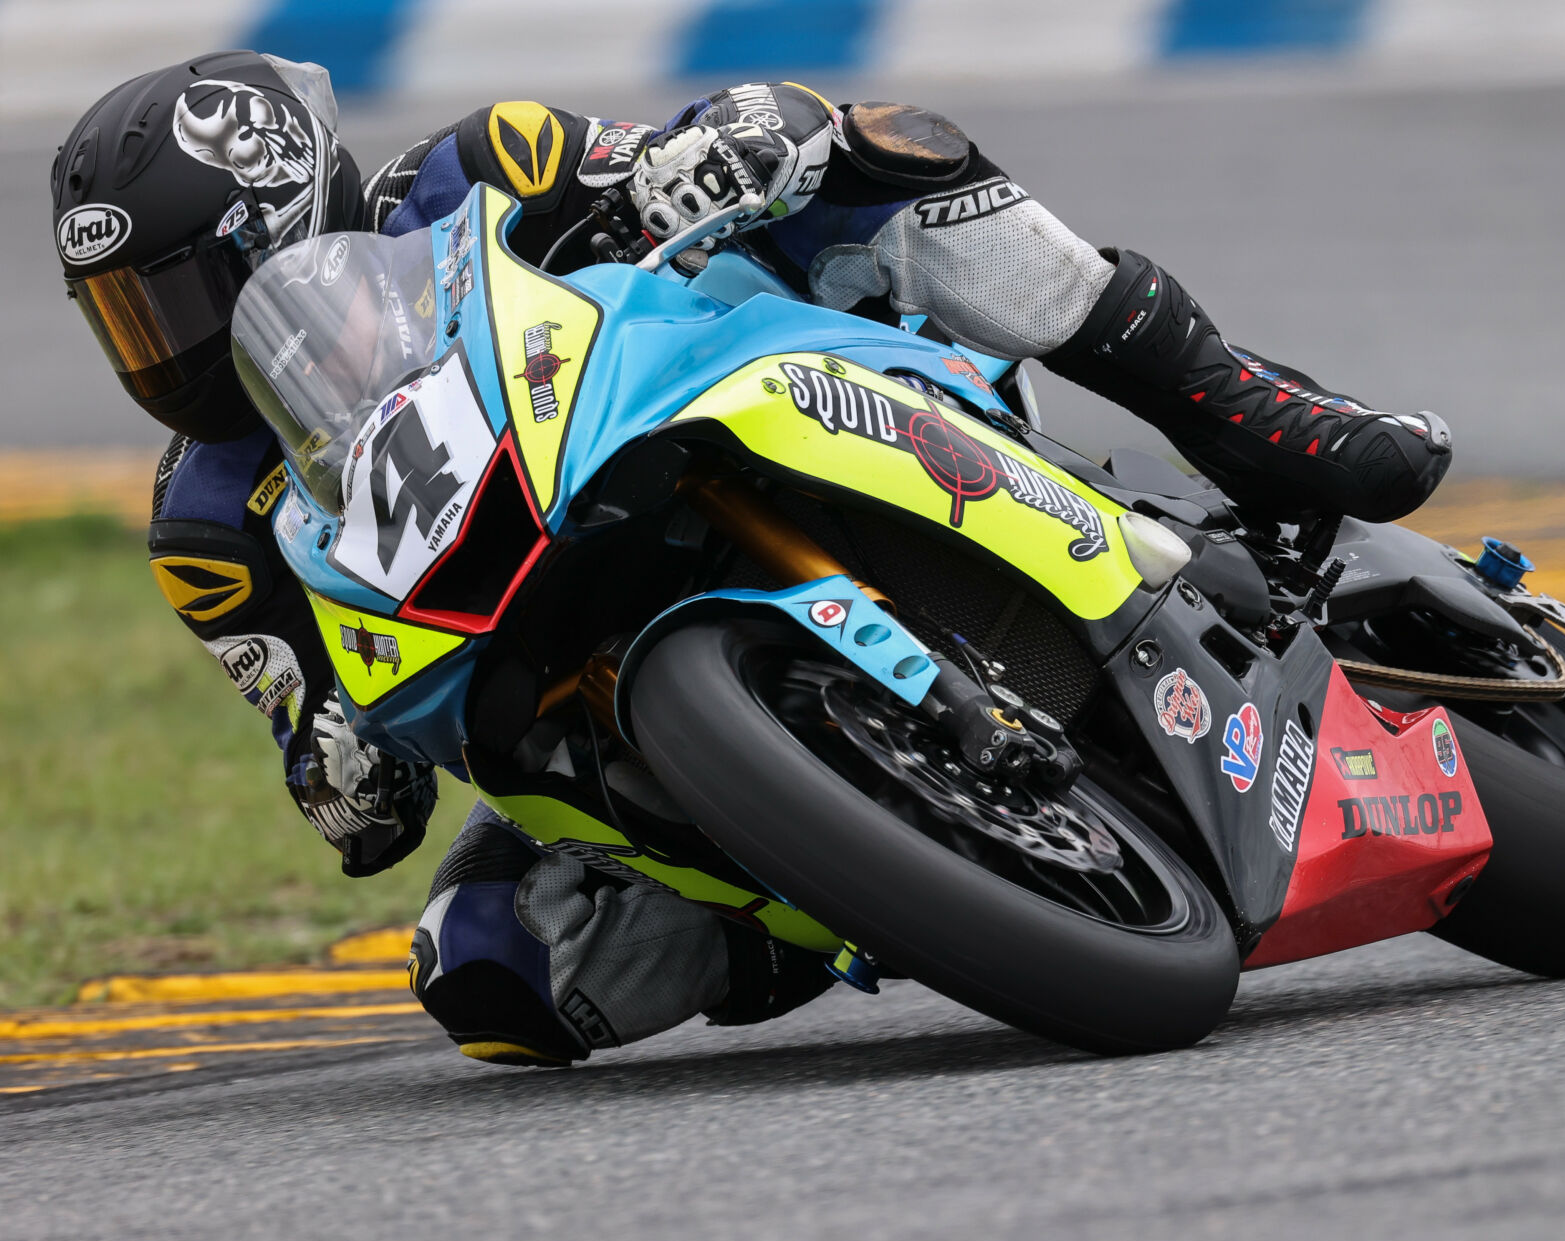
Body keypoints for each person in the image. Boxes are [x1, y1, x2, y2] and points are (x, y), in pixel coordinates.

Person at [51, 53, 1453, 1067]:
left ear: (279, 215)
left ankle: (1260, 416)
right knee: (485, 976)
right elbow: (333, 760)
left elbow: (676, 156)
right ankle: (832, 887)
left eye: (173, 297)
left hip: (726, 404)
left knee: (883, 146)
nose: (157, 350)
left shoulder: (480, 165)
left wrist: (725, 147)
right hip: (547, 663)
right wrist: (335, 765)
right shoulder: (204, 530)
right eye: (121, 319)